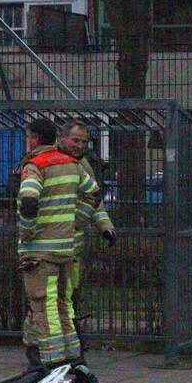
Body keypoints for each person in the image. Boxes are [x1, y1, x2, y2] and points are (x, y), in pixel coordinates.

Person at [17, 118, 101, 370]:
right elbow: (94, 193)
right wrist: (78, 220)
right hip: (66, 249)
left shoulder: (35, 165)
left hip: (39, 253)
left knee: (44, 307)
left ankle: (53, 362)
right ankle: (74, 358)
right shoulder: (73, 165)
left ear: (34, 138)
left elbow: (29, 202)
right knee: (65, 305)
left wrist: (28, 232)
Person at [58, 121, 116, 312]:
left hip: (73, 246)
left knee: (70, 296)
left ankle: (69, 335)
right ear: (63, 138)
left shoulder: (83, 166)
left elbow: (95, 200)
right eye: (76, 140)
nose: (80, 146)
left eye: (84, 142)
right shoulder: (48, 161)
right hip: (48, 247)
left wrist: (105, 226)